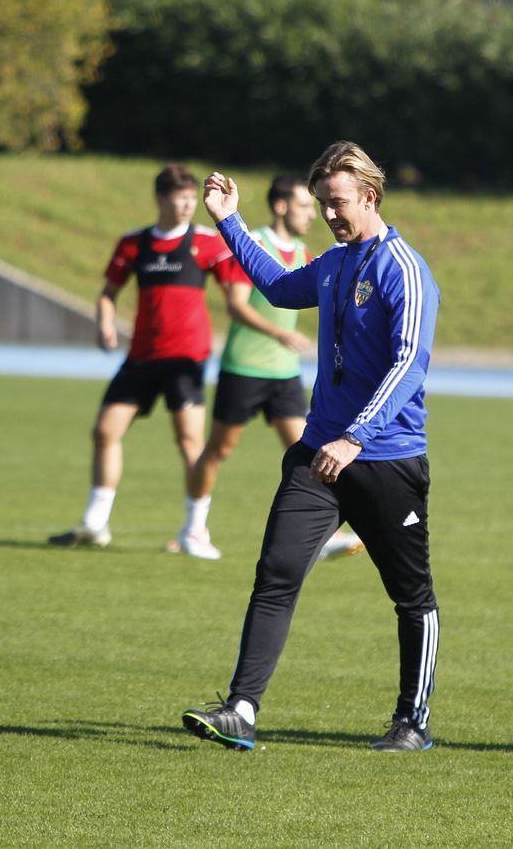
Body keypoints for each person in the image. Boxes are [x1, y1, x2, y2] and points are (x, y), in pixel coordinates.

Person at [182, 142, 442, 752]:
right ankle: (241, 710)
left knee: (412, 597)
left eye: (337, 203)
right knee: (275, 573)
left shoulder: (403, 268)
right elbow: (274, 285)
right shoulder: (333, 263)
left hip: (386, 460)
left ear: (370, 197)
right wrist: (227, 220)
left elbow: (409, 366)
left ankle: (412, 722)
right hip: (318, 454)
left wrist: (356, 437)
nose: (328, 214)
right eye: (321, 203)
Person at [49, 163, 247, 558]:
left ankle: (196, 530)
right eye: (182, 198)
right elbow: (108, 293)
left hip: (186, 359)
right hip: (141, 358)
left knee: (191, 443)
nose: (190, 204)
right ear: (161, 199)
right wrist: (106, 324)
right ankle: (95, 523)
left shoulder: (208, 242)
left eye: (193, 197)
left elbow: (239, 290)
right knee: (105, 431)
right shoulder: (133, 243)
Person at [174, 175, 365, 562]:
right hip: (245, 367)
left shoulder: (305, 251)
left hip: (284, 373)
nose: (314, 214)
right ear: (281, 206)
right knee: (218, 450)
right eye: (305, 206)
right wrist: (279, 333)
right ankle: (192, 529)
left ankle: (323, 532)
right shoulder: (250, 242)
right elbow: (237, 304)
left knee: (314, 451)